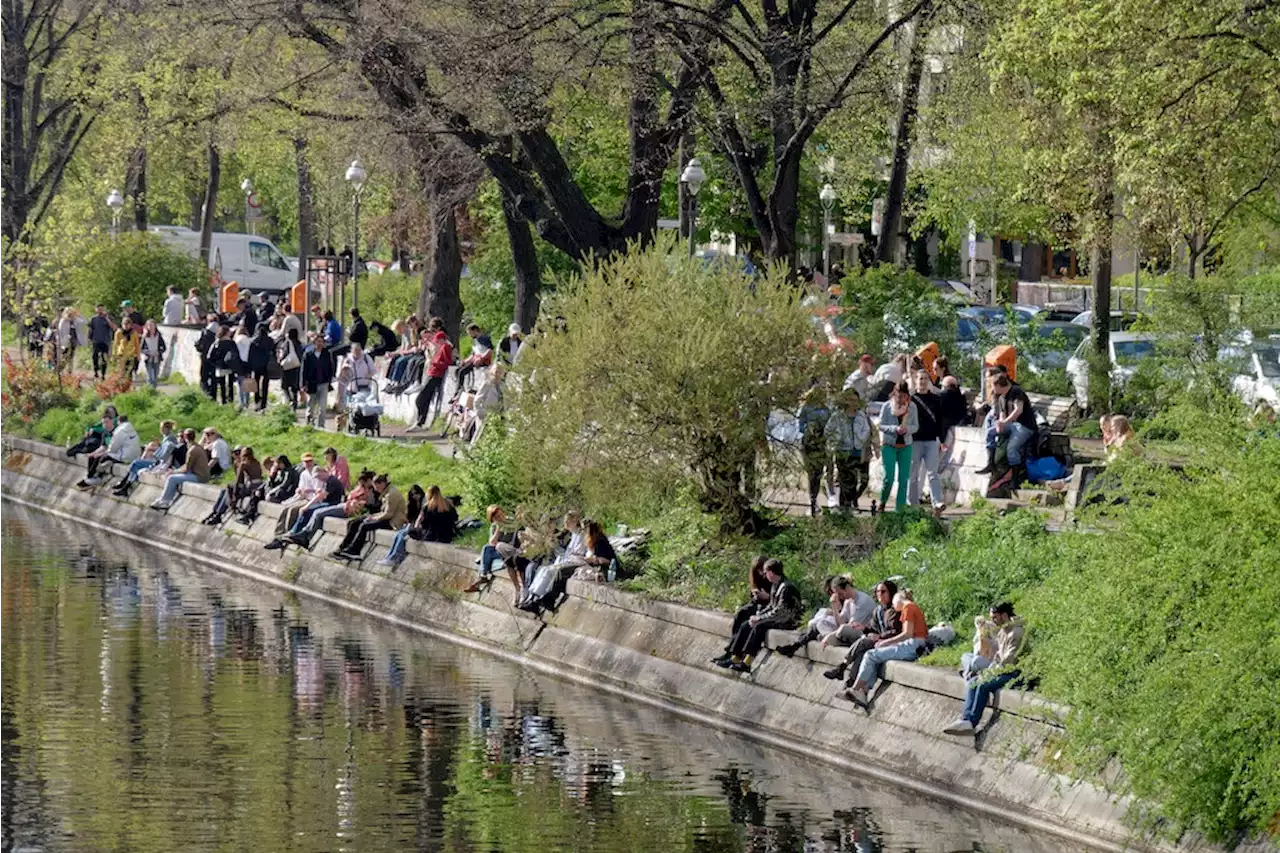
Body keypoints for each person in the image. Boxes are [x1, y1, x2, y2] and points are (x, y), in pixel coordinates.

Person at [944, 602, 1026, 736]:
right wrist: (990, 669)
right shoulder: (1003, 632)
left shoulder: (1016, 632)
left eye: (995, 617)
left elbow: (1009, 660)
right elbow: (998, 657)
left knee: (982, 685)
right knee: (973, 681)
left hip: (1014, 673)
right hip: (1001, 669)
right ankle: (966, 720)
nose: (992, 621)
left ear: (1004, 615)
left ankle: (971, 721)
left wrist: (991, 672)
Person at [845, 589, 929, 706]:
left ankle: (855, 689)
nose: (894, 607)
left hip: (913, 645)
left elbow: (907, 634)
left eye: (894, 604)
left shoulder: (908, 608)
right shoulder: (912, 607)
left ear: (899, 599)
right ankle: (863, 692)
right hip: (915, 643)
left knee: (871, 655)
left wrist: (886, 642)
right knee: (877, 655)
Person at [715, 559, 801, 673]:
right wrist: (757, 616)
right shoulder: (775, 585)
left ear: (771, 572)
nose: (765, 576)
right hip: (778, 617)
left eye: (766, 573)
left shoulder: (786, 588)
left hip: (788, 620)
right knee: (746, 625)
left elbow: (780, 612)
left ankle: (747, 662)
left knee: (759, 627)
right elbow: (771, 606)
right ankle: (735, 657)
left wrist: (760, 618)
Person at [825, 579, 902, 684]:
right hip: (880, 640)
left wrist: (879, 636)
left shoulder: (894, 611)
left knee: (864, 641)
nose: (880, 594)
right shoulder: (878, 610)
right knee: (862, 652)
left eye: (883, 592)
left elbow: (895, 631)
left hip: (892, 642)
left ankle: (842, 667)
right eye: (877, 592)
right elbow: (873, 627)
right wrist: (864, 628)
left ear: (891, 592)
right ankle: (851, 681)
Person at [776, 576, 875, 656]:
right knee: (817, 625)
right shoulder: (848, 601)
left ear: (847, 588)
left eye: (840, 593)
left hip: (861, 633)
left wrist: (828, 636)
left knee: (830, 631)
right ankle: (795, 646)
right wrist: (835, 607)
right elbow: (840, 622)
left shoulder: (862, 602)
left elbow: (850, 627)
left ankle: (795, 646)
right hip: (846, 630)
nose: (839, 597)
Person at [280, 469, 370, 548]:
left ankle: (305, 535)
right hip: (343, 505)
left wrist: (354, 503)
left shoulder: (366, 492)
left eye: (361, 482)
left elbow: (362, 505)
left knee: (318, 513)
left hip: (346, 509)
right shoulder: (358, 488)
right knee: (317, 512)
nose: (359, 483)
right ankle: (304, 535)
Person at [331, 474, 407, 559]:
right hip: (386, 517)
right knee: (354, 522)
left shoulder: (391, 494)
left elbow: (388, 514)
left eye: (377, 487)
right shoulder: (386, 492)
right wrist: (371, 516)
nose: (377, 490)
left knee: (364, 526)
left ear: (382, 483)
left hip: (393, 521)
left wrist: (373, 518)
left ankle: (355, 550)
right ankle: (343, 548)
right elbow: (382, 512)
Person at [712, 557, 773, 664]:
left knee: (746, 625)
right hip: (759, 604)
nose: (760, 573)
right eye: (757, 571)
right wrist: (756, 596)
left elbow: (777, 601)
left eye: (761, 570)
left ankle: (735, 653)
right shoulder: (758, 579)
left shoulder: (774, 580)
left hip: (768, 607)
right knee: (742, 613)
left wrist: (767, 597)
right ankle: (731, 651)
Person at [377, 485, 455, 568]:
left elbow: (423, 523)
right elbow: (455, 518)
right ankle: (391, 557)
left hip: (433, 535)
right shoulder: (448, 504)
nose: (415, 496)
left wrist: (415, 526)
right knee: (401, 533)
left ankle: (394, 558)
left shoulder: (427, 506)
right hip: (447, 535)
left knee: (403, 534)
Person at [825, 391, 871, 511]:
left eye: (855, 400)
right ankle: (844, 508)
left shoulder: (861, 416)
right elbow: (828, 431)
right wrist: (838, 439)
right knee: (845, 482)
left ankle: (849, 505)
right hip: (843, 452)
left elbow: (866, 430)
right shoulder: (837, 416)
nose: (853, 403)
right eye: (850, 400)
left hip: (856, 452)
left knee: (855, 482)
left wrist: (860, 440)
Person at [908, 369, 946, 514]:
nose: (922, 381)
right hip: (915, 440)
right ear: (915, 381)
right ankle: (912, 504)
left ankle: (937, 502)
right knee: (913, 474)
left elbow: (941, 421)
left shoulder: (936, 400)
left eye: (925, 378)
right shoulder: (911, 400)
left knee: (933, 473)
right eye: (920, 378)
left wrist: (941, 439)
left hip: (931, 440)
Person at [407, 318, 453, 433]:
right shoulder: (439, 347)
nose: (435, 342)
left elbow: (447, 362)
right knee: (424, 399)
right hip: (431, 372)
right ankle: (420, 422)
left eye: (437, 340)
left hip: (436, 375)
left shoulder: (445, 347)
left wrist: (434, 362)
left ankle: (420, 422)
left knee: (420, 399)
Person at [877, 382, 918, 512]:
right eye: (898, 396)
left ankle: (899, 510)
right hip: (889, 445)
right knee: (889, 477)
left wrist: (907, 429)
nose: (901, 399)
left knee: (903, 479)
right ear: (894, 394)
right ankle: (882, 501)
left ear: (907, 395)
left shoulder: (912, 407)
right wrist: (895, 429)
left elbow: (916, 426)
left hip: (905, 445)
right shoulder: (887, 406)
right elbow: (881, 425)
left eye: (904, 396)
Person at [110, 420, 179, 495]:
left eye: (162, 428)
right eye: (161, 428)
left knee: (136, 462)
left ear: (167, 429)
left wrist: (152, 449)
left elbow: (165, 453)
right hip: (159, 461)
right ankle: (126, 486)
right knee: (136, 466)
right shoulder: (167, 437)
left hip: (161, 463)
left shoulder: (170, 438)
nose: (161, 430)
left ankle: (124, 483)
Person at [988, 374, 1038, 477]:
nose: (991, 389)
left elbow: (1018, 410)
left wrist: (1005, 422)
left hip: (1025, 426)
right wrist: (1000, 423)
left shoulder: (1016, 391)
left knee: (1011, 448)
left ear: (998, 385)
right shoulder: (1001, 397)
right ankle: (991, 462)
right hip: (1011, 425)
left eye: (992, 386)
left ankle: (1015, 475)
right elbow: (1002, 413)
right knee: (990, 432)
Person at [466, 505, 522, 595]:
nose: (500, 518)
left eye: (501, 515)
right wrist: (498, 529)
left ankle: (483, 575)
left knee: (494, 549)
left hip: (511, 550)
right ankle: (483, 575)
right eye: (497, 517)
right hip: (499, 550)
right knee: (486, 548)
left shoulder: (511, 522)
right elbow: (492, 543)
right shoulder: (494, 526)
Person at [270, 453, 328, 537]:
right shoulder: (303, 474)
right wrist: (299, 490)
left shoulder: (317, 472)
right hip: (304, 497)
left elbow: (319, 491)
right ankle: (278, 532)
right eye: (306, 461)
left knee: (293, 510)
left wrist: (308, 490)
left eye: (310, 461)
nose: (308, 463)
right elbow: (300, 488)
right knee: (287, 508)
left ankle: (288, 532)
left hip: (313, 499)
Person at [149, 429, 209, 509]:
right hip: (200, 474)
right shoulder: (197, 447)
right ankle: (164, 499)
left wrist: (173, 471)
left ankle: (165, 501)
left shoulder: (192, 450)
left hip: (199, 477)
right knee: (173, 476)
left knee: (171, 478)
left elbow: (187, 468)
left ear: (185, 437)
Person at [203, 446, 262, 525]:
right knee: (224, 491)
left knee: (229, 487)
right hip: (259, 486)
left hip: (250, 487)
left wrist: (234, 497)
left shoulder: (243, 464)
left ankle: (221, 511)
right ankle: (216, 512)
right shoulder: (256, 462)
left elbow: (238, 481)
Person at [77, 413, 140, 487]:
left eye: (107, 422)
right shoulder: (105, 433)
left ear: (112, 422)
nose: (105, 424)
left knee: (100, 458)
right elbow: (103, 447)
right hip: (117, 453)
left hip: (121, 454)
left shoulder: (117, 431)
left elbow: (113, 448)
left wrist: (102, 453)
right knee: (92, 457)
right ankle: (90, 477)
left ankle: (97, 478)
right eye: (103, 422)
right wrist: (92, 453)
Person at [797, 387, 831, 516]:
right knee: (811, 473)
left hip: (821, 445)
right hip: (808, 444)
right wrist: (809, 429)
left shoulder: (826, 410)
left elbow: (830, 426)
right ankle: (811, 501)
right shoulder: (805, 409)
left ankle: (814, 500)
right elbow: (800, 426)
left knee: (818, 473)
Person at [303, 334, 334, 427]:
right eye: (318, 341)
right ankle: (309, 424)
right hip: (311, 384)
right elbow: (303, 370)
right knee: (311, 405)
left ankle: (321, 426)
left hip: (323, 383)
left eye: (321, 342)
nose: (320, 343)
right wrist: (303, 384)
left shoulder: (327, 354)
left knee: (322, 406)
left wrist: (329, 379)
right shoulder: (308, 354)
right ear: (314, 342)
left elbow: (331, 368)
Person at [937, 375, 967, 470]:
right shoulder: (961, 397)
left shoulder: (941, 396)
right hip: (954, 429)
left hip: (941, 430)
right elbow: (963, 413)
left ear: (946, 385)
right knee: (946, 453)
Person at [208, 325, 241, 405]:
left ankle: (223, 401)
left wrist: (215, 364)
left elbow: (209, 356)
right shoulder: (231, 343)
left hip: (220, 366)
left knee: (222, 385)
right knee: (230, 384)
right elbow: (236, 354)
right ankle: (230, 400)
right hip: (230, 366)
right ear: (227, 333)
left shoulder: (217, 342)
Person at [456, 324, 494, 390]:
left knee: (462, 372)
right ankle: (462, 387)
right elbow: (473, 354)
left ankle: (459, 390)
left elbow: (490, 351)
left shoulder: (484, 339)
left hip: (483, 361)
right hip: (475, 360)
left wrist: (481, 358)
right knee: (458, 370)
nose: (469, 335)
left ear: (475, 331)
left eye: (470, 333)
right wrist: (464, 361)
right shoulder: (475, 340)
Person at [248, 324, 275, 411]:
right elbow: (273, 351)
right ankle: (264, 403)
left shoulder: (254, 341)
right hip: (266, 364)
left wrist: (250, 365)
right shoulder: (270, 340)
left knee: (256, 381)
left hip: (256, 365)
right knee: (265, 384)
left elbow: (250, 354)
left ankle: (257, 400)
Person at [278, 326, 303, 409]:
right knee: (294, 387)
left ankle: (290, 400)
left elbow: (284, 354)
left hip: (287, 368)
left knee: (285, 386)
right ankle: (295, 403)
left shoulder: (287, 343)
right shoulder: (299, 344)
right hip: (296, 367)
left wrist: (280, 360)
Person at [88, 305, 115, 379]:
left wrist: (107, 318)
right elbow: (90, 329)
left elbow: (114, 327)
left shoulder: (108, 318)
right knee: (95, 356)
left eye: (102, 309)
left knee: (104, 358)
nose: (100, 310)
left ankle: (103, 374)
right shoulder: (93, 319)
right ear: (96, 310)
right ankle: (96, 371)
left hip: (105, 341)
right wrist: (88, 339)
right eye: (98, 309)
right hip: (96, 340)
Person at [140, 320, 166, 389]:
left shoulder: (158, 335)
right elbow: (141, 348)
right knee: (150, 376)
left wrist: (159, 352)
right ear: (147, 327)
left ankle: (154, 390)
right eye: (149, 326)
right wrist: (147, 352)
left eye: (152, 325)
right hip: (148, 358)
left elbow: (164, 347)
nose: (151, 327)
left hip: (157, 358)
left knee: (155, 376)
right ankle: (149, 390)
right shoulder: (145, 336)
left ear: (155, 326)